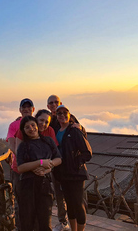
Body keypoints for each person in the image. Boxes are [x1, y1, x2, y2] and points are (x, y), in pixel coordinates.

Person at [47, 95, 86, 231]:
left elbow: (84, 144)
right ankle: (63, 222)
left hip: (74, 171)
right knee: (63, 198)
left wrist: (77, 163)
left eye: (56, 103)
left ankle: (70, 224)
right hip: (59, 170)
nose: (53, 105)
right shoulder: (49, 121)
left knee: (77, 202)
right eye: (50, 103)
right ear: (48, 106)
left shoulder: (72, 122)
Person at [17, 116, 62, 231]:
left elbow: (58, 159)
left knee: (45, 219)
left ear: (37, 125)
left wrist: (47, 167)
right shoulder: (23, 145)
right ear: (24, 131)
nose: (31, 129)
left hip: (45, 183)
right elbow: (21, 167)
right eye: (27, 127)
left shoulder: (48, 141)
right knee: (27, 220)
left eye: (33, 125)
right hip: (28, 186)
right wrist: (40, 163)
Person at [54, 105, 92, 231]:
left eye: (65, 112)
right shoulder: (57, 131)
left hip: (76, 174)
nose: (62, 115)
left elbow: (87, 152)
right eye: (59, 113)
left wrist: (76, 163)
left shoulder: (74, 130)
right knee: (70, 204)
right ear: (56, 116)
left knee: (78, 204)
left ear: (69, 114)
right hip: (63, 174)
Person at [6, 98, 35, 231]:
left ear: (33, 109)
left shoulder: (36, 123)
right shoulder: (14, 125)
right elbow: (11, 144)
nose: (26, 109)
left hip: (35, 169)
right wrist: (23, 159)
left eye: (29, 107)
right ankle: (20, 227)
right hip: (18, 169)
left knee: (35, 200)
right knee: (20, 201)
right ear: (20, 110)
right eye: (24, 107)